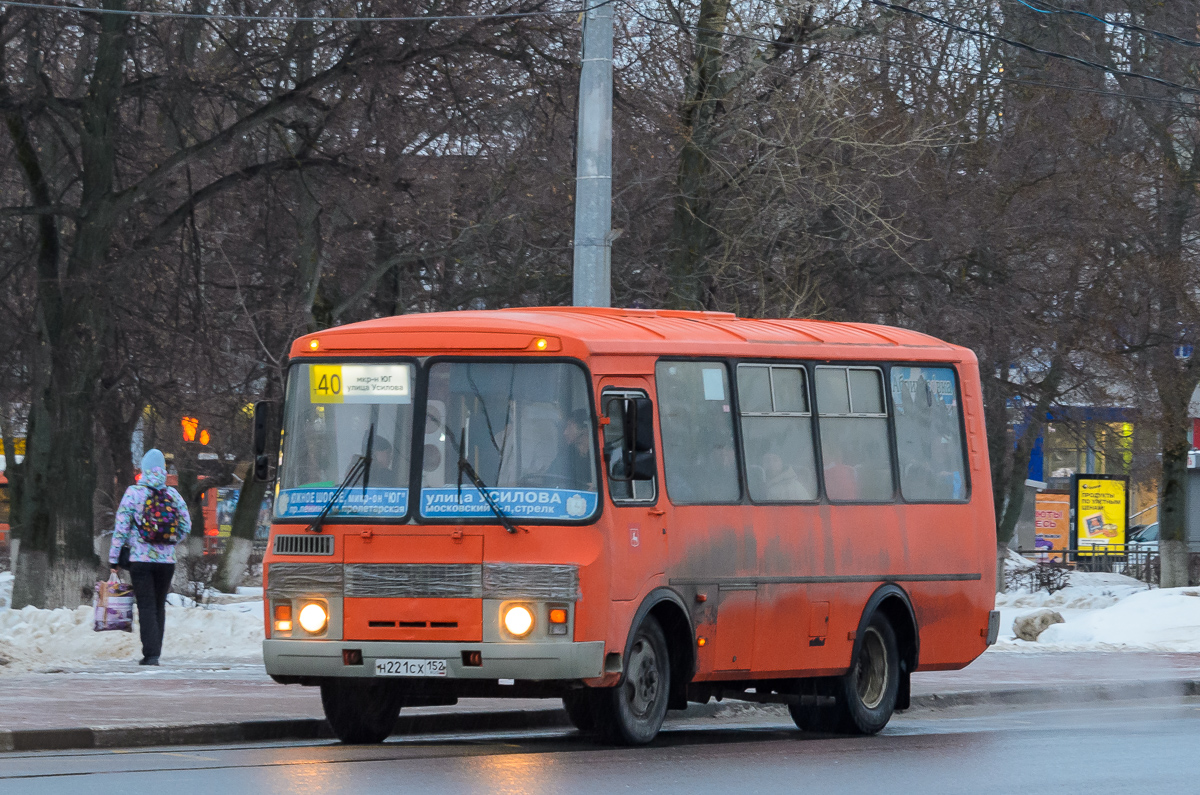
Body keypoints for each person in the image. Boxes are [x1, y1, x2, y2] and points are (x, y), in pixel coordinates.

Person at [108, 449, 192, 666]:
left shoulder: (133, 493)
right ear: (163, 470)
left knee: (145, 605)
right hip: (167, 562)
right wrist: (170, 541)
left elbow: (121, 529)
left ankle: (150, 654)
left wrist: (114, 559)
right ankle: (156, 652)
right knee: (158, 606)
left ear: (144, 469)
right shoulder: (173, 495)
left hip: (140, 560)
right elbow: (186, 525)